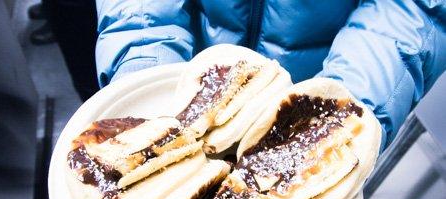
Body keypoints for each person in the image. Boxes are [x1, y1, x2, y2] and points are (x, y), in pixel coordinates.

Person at [94, 0, 446, 150]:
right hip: (194, 73)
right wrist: (146, 71)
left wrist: (340, 110)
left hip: (324, 77)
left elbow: (415, 7)